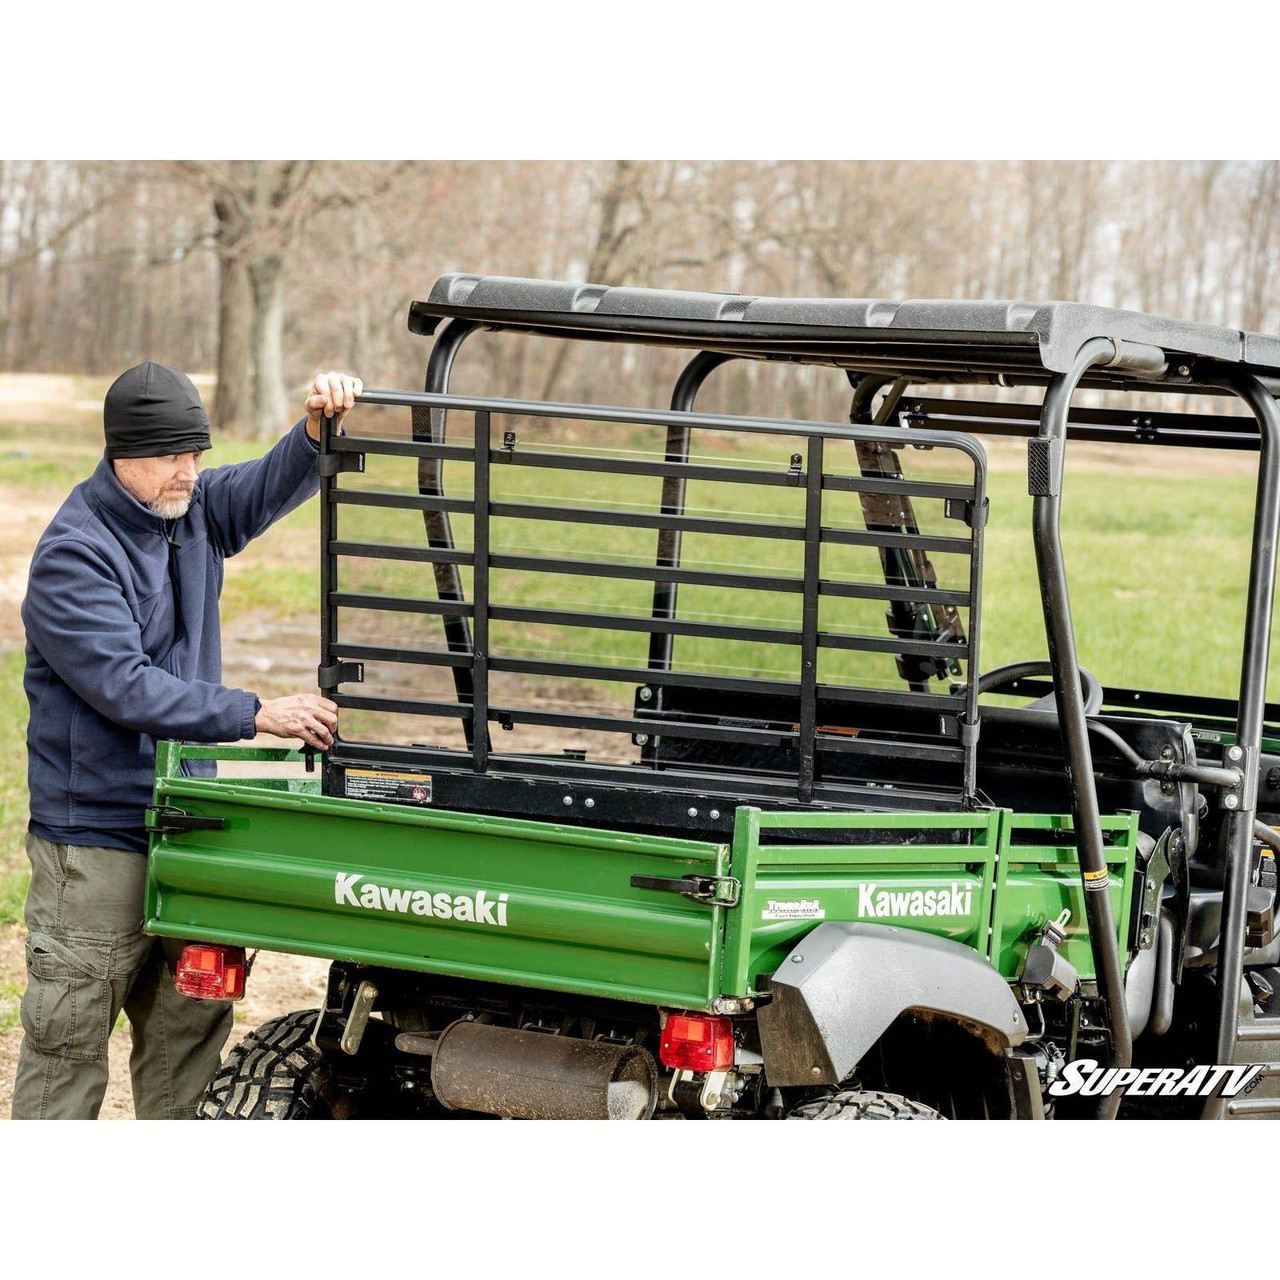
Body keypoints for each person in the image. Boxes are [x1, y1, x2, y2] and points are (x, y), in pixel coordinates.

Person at [11, 362, 362, 1119]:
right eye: (174, 456)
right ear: (123, 454)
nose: (191, 472)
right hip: (97, 842)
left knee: (189, 1038)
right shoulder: (76, 552)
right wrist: (256, 712)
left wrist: (313, 431)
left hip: (189, 825)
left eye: (197, 454)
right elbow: (125, 686)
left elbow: (267, 484)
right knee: (67, 1044)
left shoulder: (190, 508)